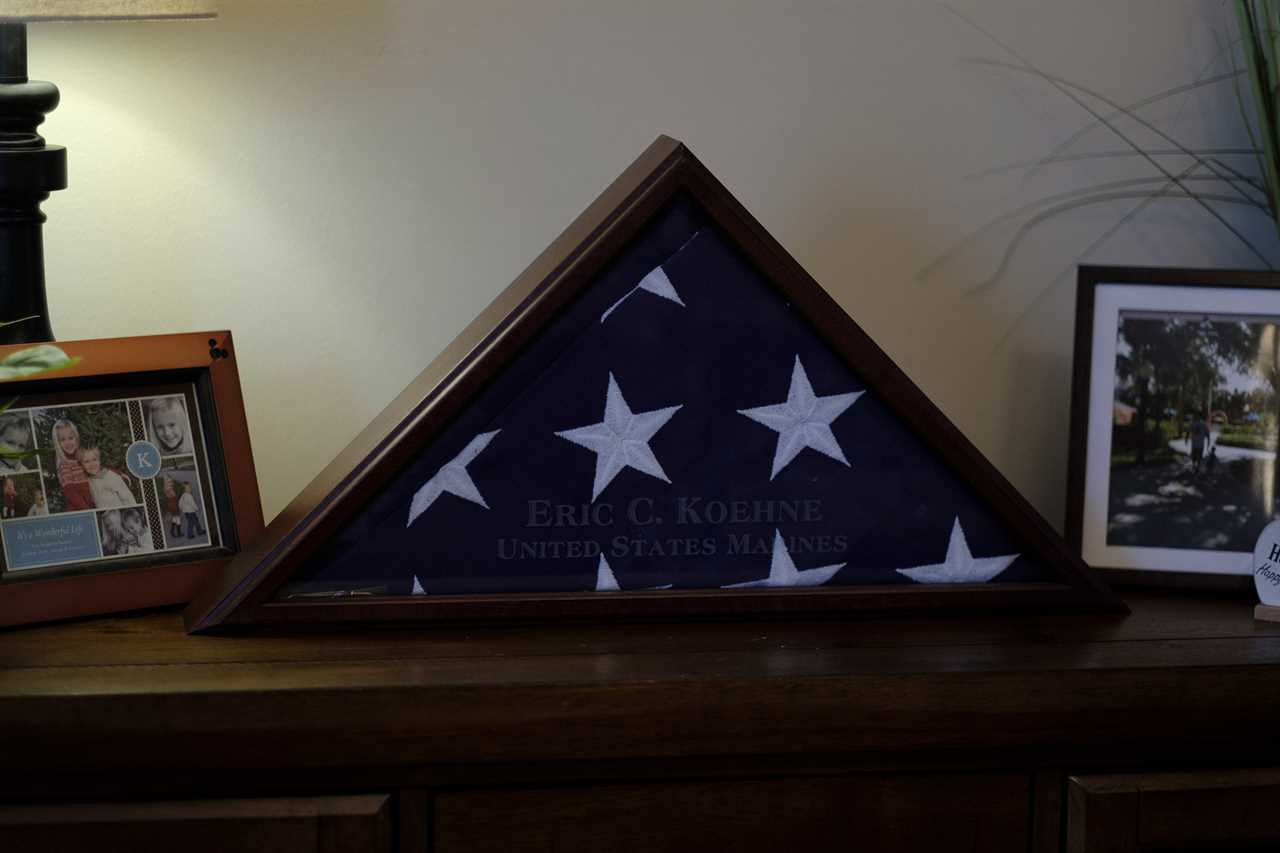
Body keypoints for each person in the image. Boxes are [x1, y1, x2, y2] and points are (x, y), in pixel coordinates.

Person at [52, 419, 93, 511]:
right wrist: (86, 509)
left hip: (90, 504)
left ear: (76, 438)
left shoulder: (82, 457)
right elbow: (70, 492)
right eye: (63, 440)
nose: (68, 443)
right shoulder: (64, 464)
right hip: (78, 508)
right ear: (58, 443)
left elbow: (97, 468)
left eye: (71, 438)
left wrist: (116, 473)